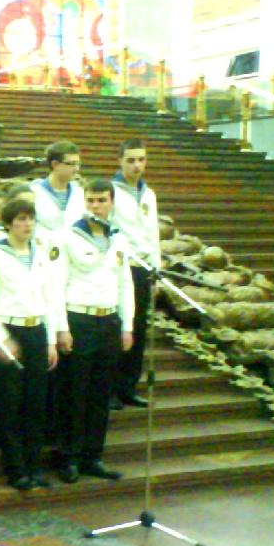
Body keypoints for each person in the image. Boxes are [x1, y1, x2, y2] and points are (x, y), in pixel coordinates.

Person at [0, 198, 61, 492]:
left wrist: (50, 341)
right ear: (8, 224)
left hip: (36, 331)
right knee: (10, 405)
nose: (27, 224)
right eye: (21, 219)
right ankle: (16, 470)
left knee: (35, 404)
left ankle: (34, 466)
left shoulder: (41, 255)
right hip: (9, 332)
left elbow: (50, 299)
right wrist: (2, 339)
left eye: (30, 218)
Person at [55, 178, 133, 483]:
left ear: (111, 203)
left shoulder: (118, 238)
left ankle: (93, 456)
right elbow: (57, 286)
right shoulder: (68, 236)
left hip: (109, 320)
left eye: (101, 200)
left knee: (101, 394)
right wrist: (62, 328)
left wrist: (127, 325)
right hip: (79, 319)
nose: (95, 206)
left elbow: (125, 284)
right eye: (90, 200)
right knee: (75, 393)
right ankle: (69, 458)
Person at [109, 138, 158, 410]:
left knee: (138, 328)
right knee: (120, 328)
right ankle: (111, 390)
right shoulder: (111, 192)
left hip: (144, 268)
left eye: (141, 159)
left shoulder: (148, 193)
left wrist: (156, 266)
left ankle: (129, 387)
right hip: (122, 266)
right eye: (131, 160)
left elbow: (154, 234)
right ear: (120, 161)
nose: (137, 165)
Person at [30, 141, 85, 239]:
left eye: (78, 164)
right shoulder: (33, 193)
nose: (76, 169)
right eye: (71, 164)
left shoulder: (80, 193)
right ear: (55, 164)